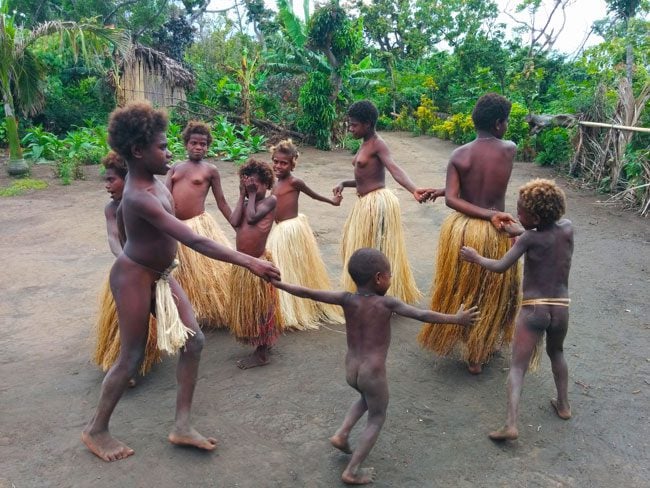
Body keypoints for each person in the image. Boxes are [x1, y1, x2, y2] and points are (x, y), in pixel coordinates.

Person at [82, 102, 280, 462]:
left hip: (160, 274)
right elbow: (195, 241)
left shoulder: (157, 184)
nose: (169, 150)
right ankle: (96, 429)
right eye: (162, 146)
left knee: (195, 341)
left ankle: (182, 425)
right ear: (138, 151)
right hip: (134, 277)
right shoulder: (139, 196)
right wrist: (250, 261)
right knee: (131, 356)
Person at [272, 248, 478, 485]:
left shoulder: (346, 298)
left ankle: (342, 434)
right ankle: (352, 470)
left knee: (365, 399)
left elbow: (308, 293)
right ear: (379, 278)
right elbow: (421, 314)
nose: (391, 279)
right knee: (377, 416)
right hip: (373, 373)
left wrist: (280, 284)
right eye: (390, 275)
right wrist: (457, 319)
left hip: (351, 368)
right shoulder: (386, 303)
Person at [460, 178, 573, 441]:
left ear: (535, 215)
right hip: (561, 308)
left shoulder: (528, 239)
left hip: (534, 309)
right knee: (557, 353)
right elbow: (544, 232)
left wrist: (476, 257)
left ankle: (510, 424)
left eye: (521, 211)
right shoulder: (567, 229)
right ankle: (564, 405)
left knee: (518, 367)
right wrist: (521, 230)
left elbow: (500, 266)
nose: (517, 214)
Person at [417, 93, 521, 374]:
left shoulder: (459, 154)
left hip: (463, 231)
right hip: (495, 230)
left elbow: (453, 198)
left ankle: (461, 335)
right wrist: (491, 214)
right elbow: (482, 188)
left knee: (461, 287)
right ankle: (479, 350)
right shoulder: (509, 149)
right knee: (492, 290)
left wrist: (442, 190)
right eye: (507, 121)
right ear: (499, 124)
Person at [333, 100, 437, 304]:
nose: (350, 128)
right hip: (364, 204)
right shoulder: (364, 143)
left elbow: (394, 168)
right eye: (350, 124)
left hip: (377, 204)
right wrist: (343, 183)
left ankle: (379, 297)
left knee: (376, 249)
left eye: (354, 125)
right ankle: (368, 293)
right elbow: (365, 178)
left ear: (368, 124)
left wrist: (413, 189)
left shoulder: (378, 144)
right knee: (361, 247)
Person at [93, 151, 161, 384]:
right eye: (106, 180)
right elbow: (113, 237)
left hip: (153, 269)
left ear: (127, 178)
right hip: (127, 272)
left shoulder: (144, 200)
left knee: (161, 314)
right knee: (126, 322)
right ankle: (125, 366)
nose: (107, 185)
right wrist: (128, 262)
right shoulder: (111, 209)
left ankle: (158, 350)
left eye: (111, 180)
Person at [268, 139, 344, 330]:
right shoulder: (273, 183)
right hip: (278, 232)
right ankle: (287, 308)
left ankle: (299, 307)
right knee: (282, 268)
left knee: (294, 268)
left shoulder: (295, 182)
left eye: (283, 163)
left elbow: (314, 195)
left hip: (292, 230)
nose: (278, 166)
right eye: (276, 161)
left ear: (293, 163)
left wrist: (333, 201)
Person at [165, 120, 232, 328]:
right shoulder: (175, 168)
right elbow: (164, 196)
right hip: (176, 227)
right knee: (180, 274)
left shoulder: (210, 170)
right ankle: (183, 315)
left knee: (210, 272)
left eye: (203, 144)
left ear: (208, 146)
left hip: (199, 226)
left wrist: (236, 224)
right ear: (186, 144)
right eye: (194, 143)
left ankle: (218, 310)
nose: (198, 147)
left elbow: (221, 202)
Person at [228, 158, 284, 369]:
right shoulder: (246, 201)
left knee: (263, 308)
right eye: (249, 183)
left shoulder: (270, 201)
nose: (254, 188)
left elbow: (251, 219)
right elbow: (234, 221)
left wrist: (250, 195)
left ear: (267, 184)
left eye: (257, 184)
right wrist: (243, 194)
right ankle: (263, 345)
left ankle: (262, 354)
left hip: (259, 263)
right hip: (244, 264)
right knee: (252, 308)